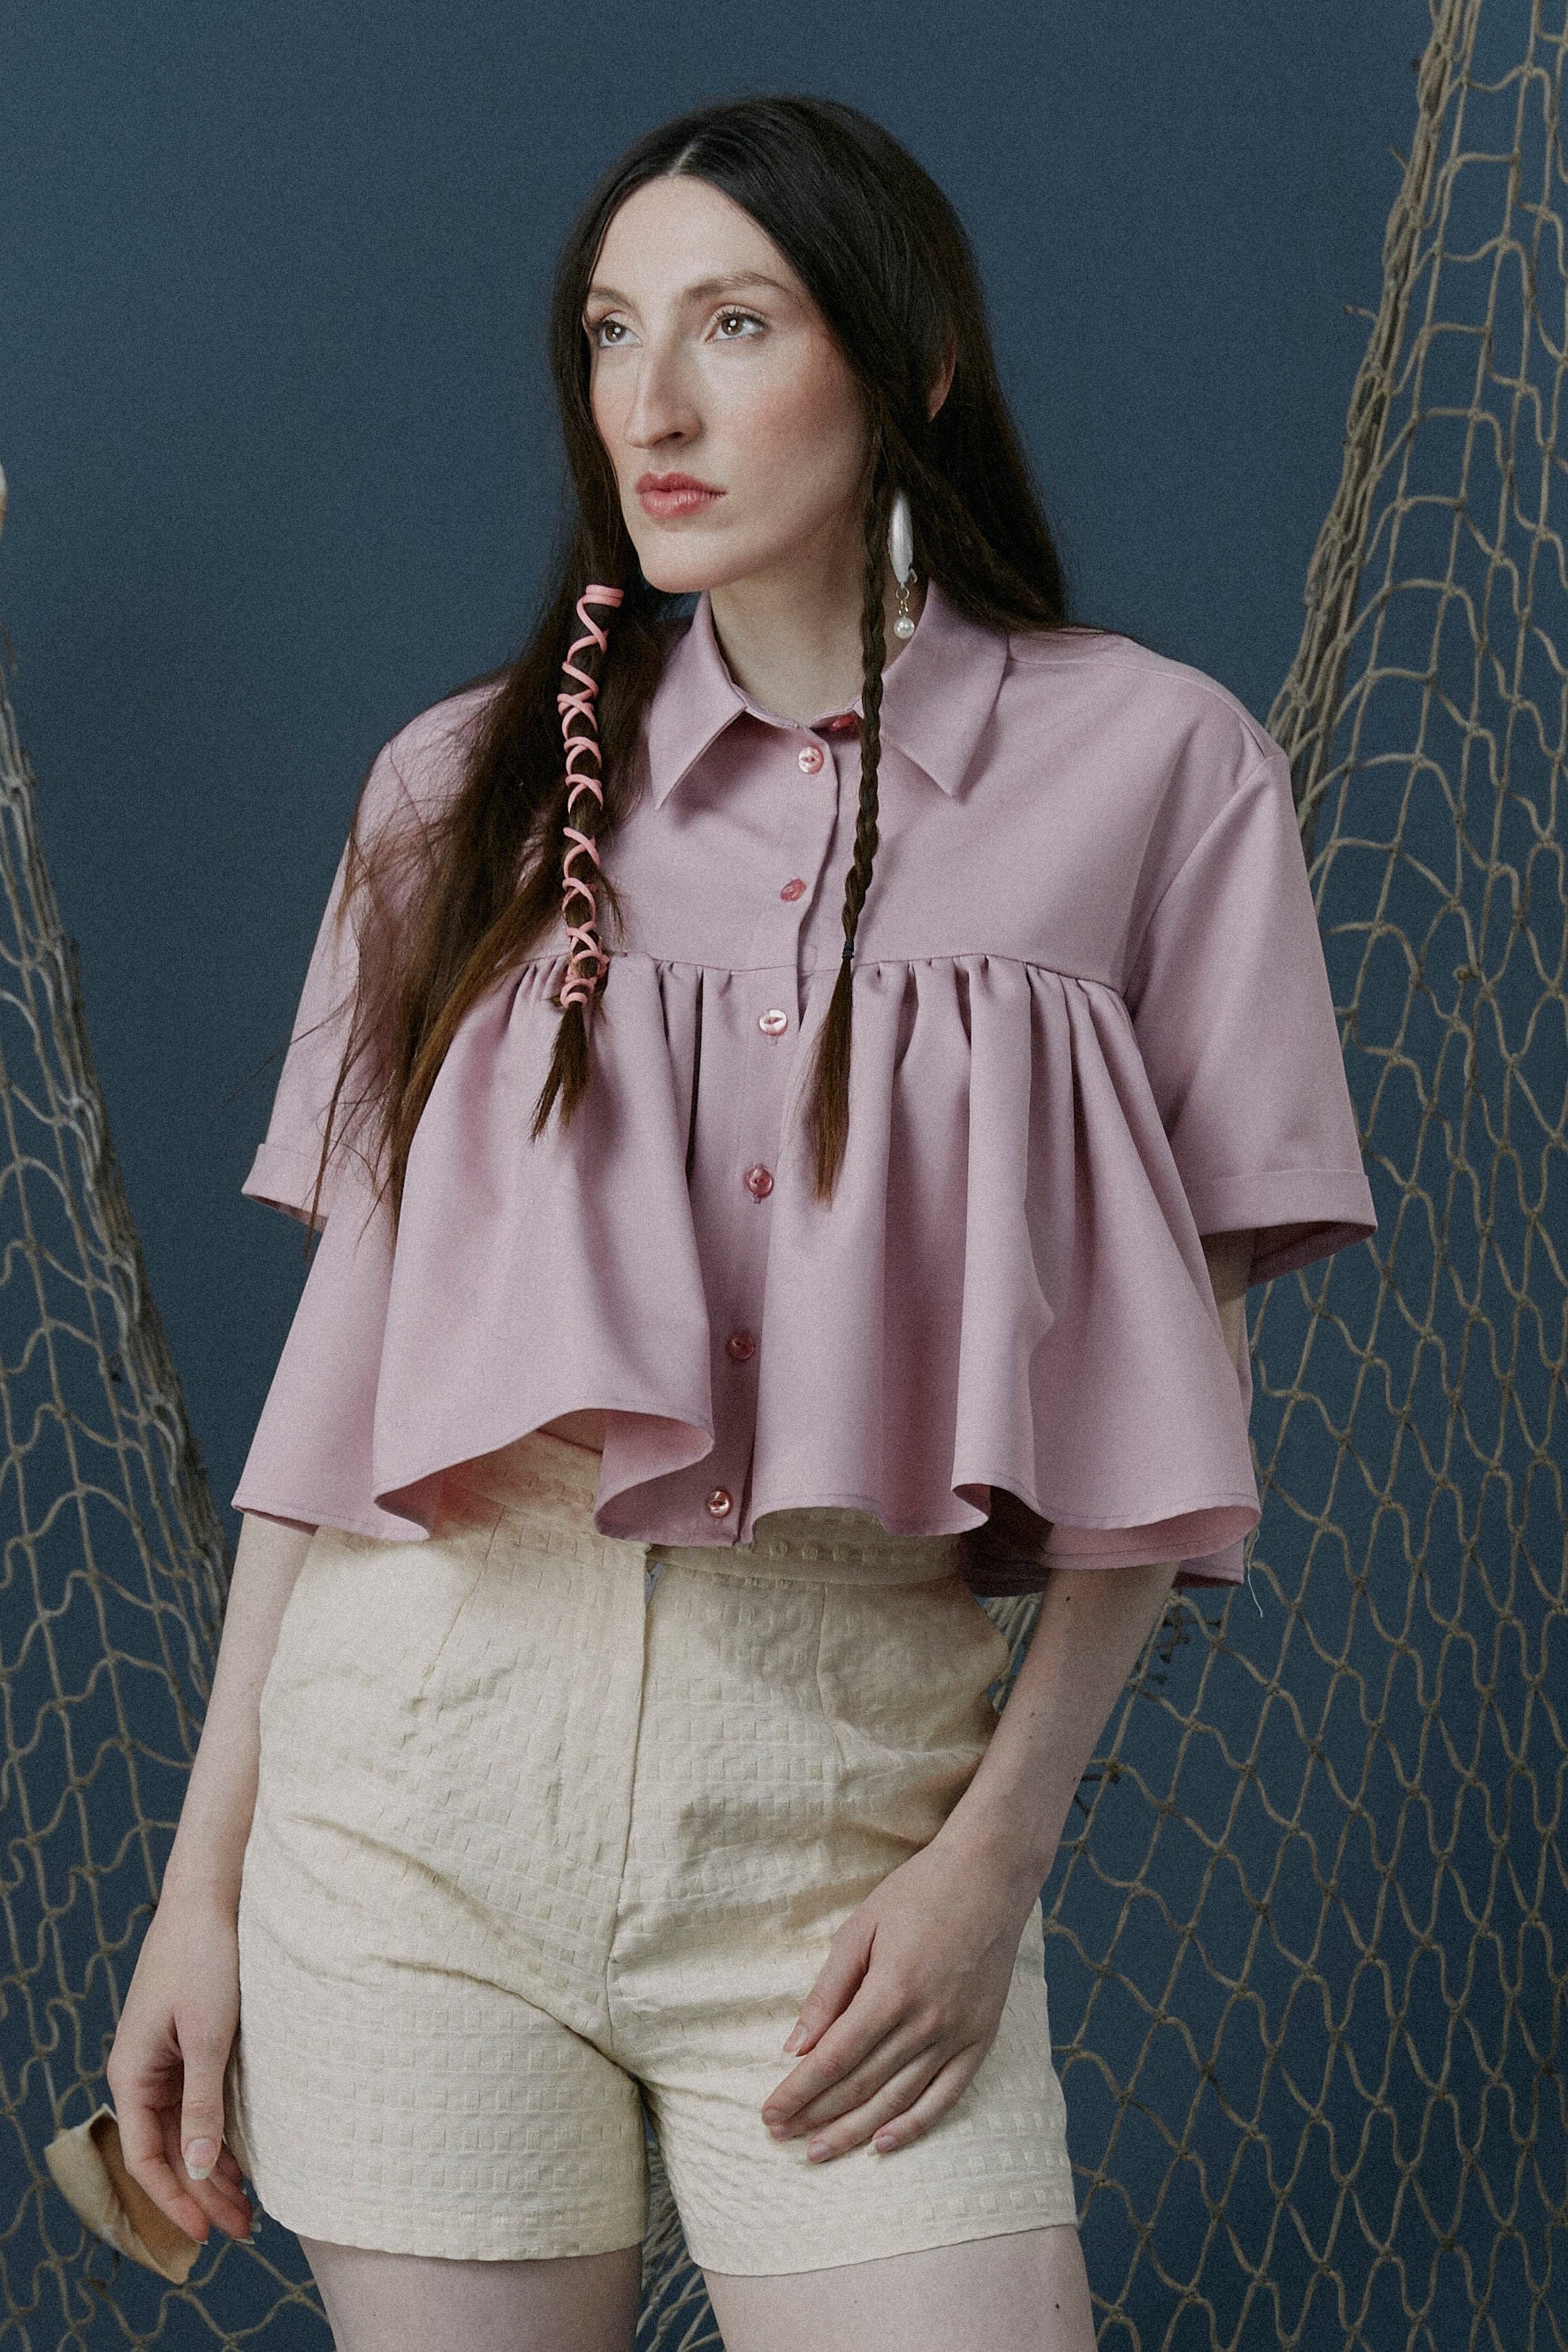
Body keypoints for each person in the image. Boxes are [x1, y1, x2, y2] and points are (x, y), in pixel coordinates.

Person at [106, 94, 1377, 2352]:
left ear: (906, 366)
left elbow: (1181, 1389)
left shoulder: (1160, 774)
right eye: (611, 334)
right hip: (402, 1819)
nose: (652, 405)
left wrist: (997, 1852)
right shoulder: (452, 786)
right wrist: (194, 1886)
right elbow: (339, 1391)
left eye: (731, 322)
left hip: (847, 1823)